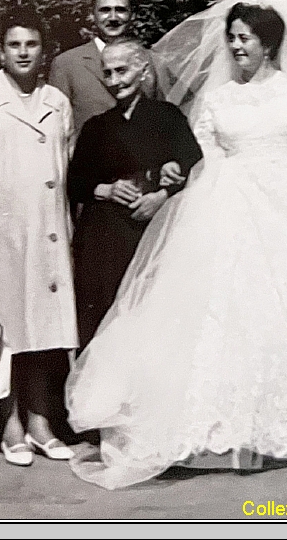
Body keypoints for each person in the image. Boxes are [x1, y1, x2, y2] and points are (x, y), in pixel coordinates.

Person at [66, 0, 287, 488]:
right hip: (229, 206)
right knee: (225, 312)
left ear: (268, 43)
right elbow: (202, 153)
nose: (237, 47)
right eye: (232, 39)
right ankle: (224, 427)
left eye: (246, 39)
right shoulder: (219, 97)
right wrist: (177, 176)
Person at [0, 6, 78, 467]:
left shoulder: (57, 102)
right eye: (14, 45)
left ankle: (40, 422)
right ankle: (10, 427)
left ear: (44, 51)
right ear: (2, 50)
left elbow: (65, 168)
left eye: (31, 44)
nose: (23, 53)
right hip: (2, 230)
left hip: (48, 229)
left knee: (45, 331)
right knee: (7, 330)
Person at [67, 38, 203, 349]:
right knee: (105, 317)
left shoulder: (167, 117)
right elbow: (75, 182)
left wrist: (163, 194)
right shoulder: (96, 127)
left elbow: (192, 162)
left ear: (142, 70)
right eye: (108, 73)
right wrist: (107, 189)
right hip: (106, 238)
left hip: (154, 231)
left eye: (122, 71)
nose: (114, 81)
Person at [49, 0, 146, 135]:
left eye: (120, 10)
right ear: (92, 15)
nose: (113, 17)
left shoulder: (149, 60)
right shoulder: (66, 64)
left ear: (132, 15)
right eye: (105, 10)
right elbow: (56, 129)